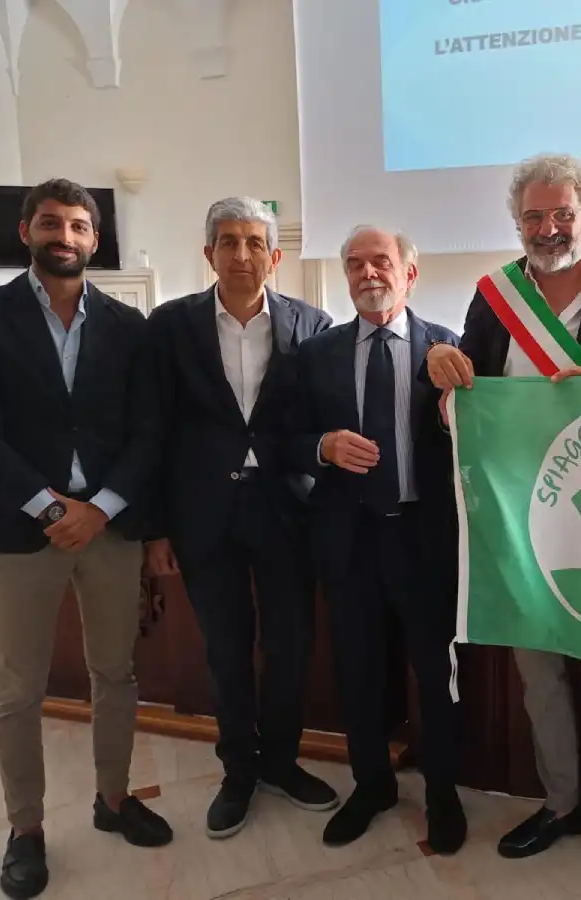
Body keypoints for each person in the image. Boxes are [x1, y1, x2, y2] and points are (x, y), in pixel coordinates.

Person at [426, 153, 581, 897]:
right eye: (533, 216)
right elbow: (470, 392)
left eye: (563, 214)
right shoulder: (493, 297)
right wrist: (446, 382)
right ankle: (563, 803)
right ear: (517, 223)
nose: (549, 227)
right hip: (521, 517)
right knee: (539, 675)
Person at [0, 179, 172, 900]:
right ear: (25, 232)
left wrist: (99, 509)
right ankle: (26, 831)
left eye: (77, 225)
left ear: (94, 239)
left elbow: (149, 434)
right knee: (19, 690)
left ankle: (112, 801)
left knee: (116, 674)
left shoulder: (131, 326)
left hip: (110, 528)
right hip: (22, 530)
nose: (64, 236)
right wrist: (52, 509)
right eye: (51, 223)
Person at [145, 197, 337, 839]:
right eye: (228, 242)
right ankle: (239, 771)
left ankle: (282, 761)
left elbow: (321, 417)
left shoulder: (312, 323)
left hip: (286, 512)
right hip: (205, 515)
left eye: (256, 243)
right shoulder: (169, 327)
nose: (242, 255)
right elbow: (154, 430)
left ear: (275, 256)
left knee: (288, 647)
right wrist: (155, 529)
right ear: (209, 254)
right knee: (226, 650)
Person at [289, 225, 467, 855]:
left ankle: (443, 792)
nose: (369, 273)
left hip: (424, 539)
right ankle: (373, 786)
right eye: (356, 263)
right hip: (349, 539)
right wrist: (321, 447)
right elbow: (286, 437)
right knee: (358, 671)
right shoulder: (318, 353)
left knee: (435, 673)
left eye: (382, 262)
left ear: (408, 273)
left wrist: (456, 402)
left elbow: (476, 439)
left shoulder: (447, 347)